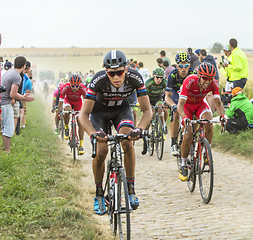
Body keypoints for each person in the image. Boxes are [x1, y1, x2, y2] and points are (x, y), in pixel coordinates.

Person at [79, 50, 152, 215]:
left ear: (126, 69)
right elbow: (83, 115)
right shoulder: (98, 80)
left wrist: (139, 129)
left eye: (120, 72)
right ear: (106, 72)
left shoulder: (135, 78)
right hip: (99, 114)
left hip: (121, 111)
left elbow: (147, 110)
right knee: (101, 151)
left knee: (127, 141)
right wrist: (92, 134)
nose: (116, 77)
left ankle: (131, 189)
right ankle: (99, 194)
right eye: (112, 74)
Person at [177, 62, 225, 181]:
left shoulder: (213, 83)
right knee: (188, 135)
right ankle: (183, 164)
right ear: (199, 76)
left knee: (208, 120)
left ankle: (205, 152)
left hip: (199, 104)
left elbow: (218, 102)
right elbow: (180, 105)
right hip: (186, 106)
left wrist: (222, 116)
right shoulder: (189, 81)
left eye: (210, 79)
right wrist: (184, 118)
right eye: (205, 78)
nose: (207, 82)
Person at [165, 52, 196, 156]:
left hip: (188, 96)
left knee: (195, 114)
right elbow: (167, 97)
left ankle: (194, 138)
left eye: (186, 66)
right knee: (175, 113)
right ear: (177, 66)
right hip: (176, 95)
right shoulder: (172, 75)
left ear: (189, 66)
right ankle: (173, 143)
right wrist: (173, 105)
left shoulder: (193, 74)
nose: (184, 69)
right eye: (181, 66)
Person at [1, 56, 34, 153]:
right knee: (9, 129)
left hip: (2, 102)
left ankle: (5, 150)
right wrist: (24, 98)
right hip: (6, 104)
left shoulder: (9, 72)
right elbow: (12, 94)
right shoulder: (17, 76)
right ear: (24, 66)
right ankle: (7, 151)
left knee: (4, 128)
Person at [58, 75, 87, 155]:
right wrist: (60, 111)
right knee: (66, 110)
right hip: (68, 102)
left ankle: (81, 145)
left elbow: (87, 102)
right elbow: (61, 100)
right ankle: (66, 127)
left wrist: (86, 113)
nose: (74, 88)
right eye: (73, 86)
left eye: (77, 86)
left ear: (80, 84)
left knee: (80, 122)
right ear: (69, 84)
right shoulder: (66, 87)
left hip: (78, 103)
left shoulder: (83, 89)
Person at [145, 67, 168, 133]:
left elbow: (168, 93)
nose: (159, 80)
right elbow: (144, 95)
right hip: (149, 98)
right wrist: (147, 105)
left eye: (161, 78)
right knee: (150, 112)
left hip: (158, 97)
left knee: (162, 109)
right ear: (153, 76)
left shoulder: (164, 82)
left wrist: (166, 102)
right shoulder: (149, 83)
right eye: (157, 77)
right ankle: (147, 129)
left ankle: (162, 126)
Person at [20, 61, 32, 129]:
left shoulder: (23, 76)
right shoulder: (27, 80)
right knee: (23, 111)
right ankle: (22, 125)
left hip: (17, 95)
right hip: (22, 96)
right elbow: (29, 91)